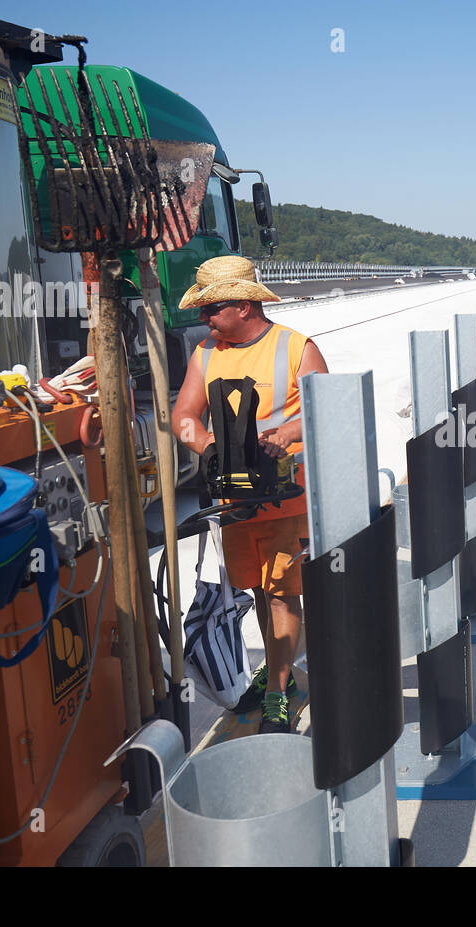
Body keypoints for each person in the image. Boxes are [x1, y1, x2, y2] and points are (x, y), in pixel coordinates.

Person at [171, 256, 328, 733]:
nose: (204, 318)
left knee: (284, 595)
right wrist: (211, 447)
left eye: (210, 308)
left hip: (287, 499)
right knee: (258, 589)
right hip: (236, 501)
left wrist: (286, 433)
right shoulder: (207, 353)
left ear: (243, 305)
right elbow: (184, 417)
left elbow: (329, 409)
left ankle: (280, 691)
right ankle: (277, 674)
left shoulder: (297, 348)